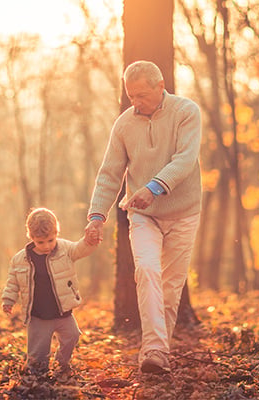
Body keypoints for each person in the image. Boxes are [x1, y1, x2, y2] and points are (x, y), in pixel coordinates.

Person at [85, 60, 202, 374]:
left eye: (141, 95)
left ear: (160, 86)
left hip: (184, 212)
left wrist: (154, 187)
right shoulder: (124, 124)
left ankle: (158, 350)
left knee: (171, 286)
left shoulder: (186, 112)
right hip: (142, 214)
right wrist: (97, 216)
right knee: (148, 271)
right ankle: (153, 352)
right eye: (130, 95)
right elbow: (110, 174)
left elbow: (186, 159)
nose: (135, 102)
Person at [2, 207, 98, 379]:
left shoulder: (65, 249)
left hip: (63, 312)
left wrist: (89, 241)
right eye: (40, 242)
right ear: (31, 238)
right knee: (38, 352)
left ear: (56, 233)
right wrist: (8, 299)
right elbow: (12, 282)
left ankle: (62, 362)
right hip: (38, 315)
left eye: (50, 240)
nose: (46, 246)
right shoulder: (20, 260)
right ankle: (37, 375)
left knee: (73, 336)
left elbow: (80, 249)